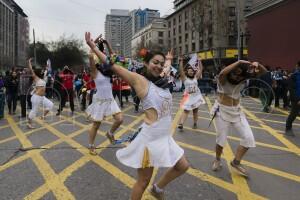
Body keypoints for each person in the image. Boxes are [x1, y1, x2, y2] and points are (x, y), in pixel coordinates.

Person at [85, 32, 189, 200]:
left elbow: (166, 68)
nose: (159, 66)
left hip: (165, 138)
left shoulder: (162, 80)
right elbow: (113, 66)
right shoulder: (140, 81)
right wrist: (93, 47)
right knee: (143, 181)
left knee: (182, 166)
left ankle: (158, 188)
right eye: (155, 62)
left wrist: (168, 60)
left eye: (161, 64)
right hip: (150, 141)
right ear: (146, 63)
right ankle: (153, 188)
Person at [210, 60, 267, 177]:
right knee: (221, 139)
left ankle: (236, 162)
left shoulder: (244, 80)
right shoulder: (223, 79)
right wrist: (239, 62)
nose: (236, 76)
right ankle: (217, 159)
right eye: (234, 73)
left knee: (248, 138)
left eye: (239, 73)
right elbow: (222, 74)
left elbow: (264, 73)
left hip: (237, 111)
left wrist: (257, 64)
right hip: (221, 111)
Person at [86, 39, 123, 155]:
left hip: (110, 100)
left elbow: (113, 58)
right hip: (100, 101)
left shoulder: (109, 72)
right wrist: (92, 45)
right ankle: (91, 145)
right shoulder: (95, 72)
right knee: (96, 125)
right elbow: (91, 57)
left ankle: (110, 133)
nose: (103, 61)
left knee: (120, 119)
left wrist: (107, 44)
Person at [177, 56, 205, 130]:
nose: (191, 72)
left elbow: (201, 69)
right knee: (186, 110)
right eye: (189, 71)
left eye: (192, 71)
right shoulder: (184, 78)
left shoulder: (196, 77)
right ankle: (181, 124)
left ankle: (195, 122)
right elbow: (181, 70)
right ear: (187, 72)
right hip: (188, 97)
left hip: (196, 96)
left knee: (195, 111)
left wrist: (199, 61)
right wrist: (181, 62)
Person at [27, 58, 54, 129]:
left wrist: (47, 65)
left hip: (42, 97)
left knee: (51, 105)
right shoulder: (36, 78)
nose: (42, 71)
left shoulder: (43, 78)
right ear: (38, 72)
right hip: (36, 97)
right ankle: (29, 123)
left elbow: (47, 69)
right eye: (41, 71)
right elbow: (31, 70)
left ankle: (43, 116)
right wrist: (29, 62)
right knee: (34, 111)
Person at [285, 61, 300, 136]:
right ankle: (288, 128)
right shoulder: (294, 76)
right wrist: (297, 99)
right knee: (294, 113)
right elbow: (291, 89)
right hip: (296, 99)